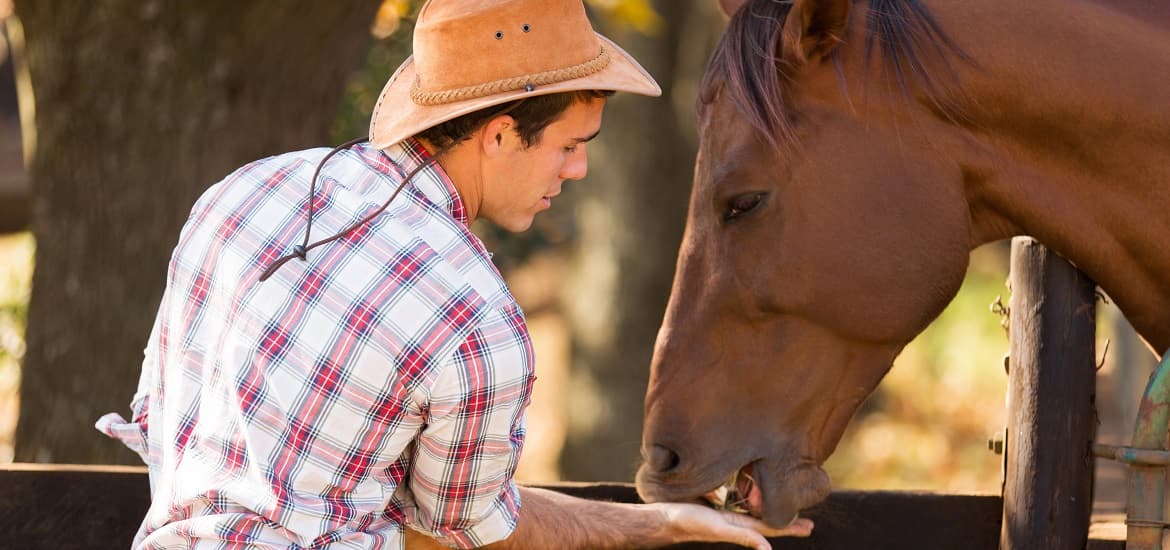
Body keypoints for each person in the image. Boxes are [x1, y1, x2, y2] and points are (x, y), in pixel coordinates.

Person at [97, 0, 813, 548]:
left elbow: (170, 426)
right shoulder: (473, 316)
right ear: (499, 134)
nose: (578, 169)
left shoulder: (242, 195)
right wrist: (653, 527)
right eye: (568, 145)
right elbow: (471, 529)